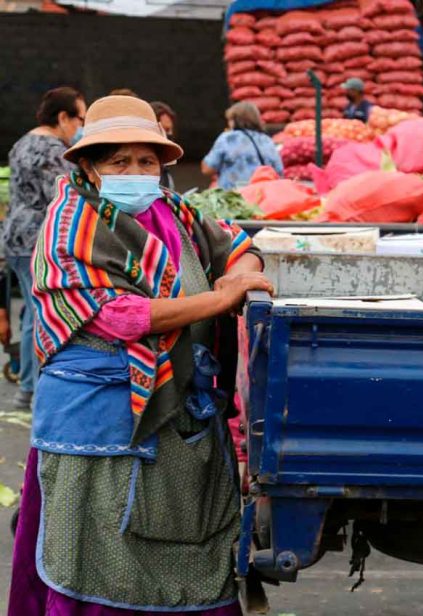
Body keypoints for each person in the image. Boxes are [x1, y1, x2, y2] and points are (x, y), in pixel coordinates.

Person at [8, 95, 273, 615]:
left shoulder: (173, 212)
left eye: (147, 161)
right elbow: (118, 315)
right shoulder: (69, 227)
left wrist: (243, 273)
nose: (136, 172)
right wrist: (219, 298)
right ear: (88, 165)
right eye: (118, 161)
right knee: (96, 554)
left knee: (183, 545)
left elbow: (237, 244)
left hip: (177, 420)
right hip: (99, 426)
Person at [2, 86, 86, 410]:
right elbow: (64, 197)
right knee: (41, 315)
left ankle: (27, 387)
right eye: (80, 118)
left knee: (30, 316)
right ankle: (36, 389)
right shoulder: (52, 149)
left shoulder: (22, 142)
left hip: (15, 237)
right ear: (62, 116)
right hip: (37, 238)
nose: (82, 127)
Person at [201, 101, 283, 189]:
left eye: (230, 120)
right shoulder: (267, 140)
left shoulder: (228, 138)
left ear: (235, 120)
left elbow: (207, 169)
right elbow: (279, 172)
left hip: (235, 197)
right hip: (261, 196)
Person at [151, 100, 177, 190]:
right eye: (165, 130)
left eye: (170, 130)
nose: (169, 135)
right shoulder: (146, 174)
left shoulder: (164, 170)